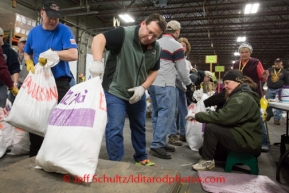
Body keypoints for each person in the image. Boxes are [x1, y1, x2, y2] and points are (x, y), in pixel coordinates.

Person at [90, 13, 166, 166]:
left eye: (155, 36)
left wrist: (143, 87)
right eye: (149, 31)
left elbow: (154, 71)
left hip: (137, 93)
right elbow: (99, 38)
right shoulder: (124, 34)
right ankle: (116, 164)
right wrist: (97, 61)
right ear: (143, 23)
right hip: (115, 91)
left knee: (139, 126)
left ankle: (141, 157)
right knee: (115, 128)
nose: (150, 37)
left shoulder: (156, 48)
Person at [24, 1, 78, 157]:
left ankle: (59, 154)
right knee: (35, 117)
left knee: (61, 118)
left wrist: (53, 54)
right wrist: (28, 61)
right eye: (50, 17)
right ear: (42, 13)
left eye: (56, 18)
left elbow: (73, 54)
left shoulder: (64, 31)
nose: (53, 21)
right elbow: (27, 51)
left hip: (59, 82)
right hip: (39, 81)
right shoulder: (34, 32)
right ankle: (35, 153)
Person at [186, 70, 262, 170]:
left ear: (238, 82)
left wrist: (199, 116)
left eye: (227, 83)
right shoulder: (241, 94)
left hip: (246, 140)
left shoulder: (242, 98)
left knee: (211, 127)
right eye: (224, 83)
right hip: (244, 135)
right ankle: (232, 158)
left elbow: (224, 117)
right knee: (203, 150)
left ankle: (207, 161)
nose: (225, 86)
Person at [149, 20, 192, 159]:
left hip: (152, 83)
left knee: (156, 114)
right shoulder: (176, 45)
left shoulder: (156, 42)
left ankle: (160, 141)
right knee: (166, 114)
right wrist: (188, 84)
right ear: (177, 32)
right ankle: (157, 145)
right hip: (166, 84)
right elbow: (182, 70)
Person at [233, 42, 270, 152]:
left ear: (250, 53)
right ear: (239, 53)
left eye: (246, 52)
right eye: (242, 52)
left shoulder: (255, 62)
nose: (244, 54)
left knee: (258, 116)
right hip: (239, 93)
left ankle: (264, 142)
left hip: (254, 93)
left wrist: (264, 76)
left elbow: (262, 78)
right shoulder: (236, 63)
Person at [174, 37, 192, 143]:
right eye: (179, 45)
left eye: (184, 45)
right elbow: (178, 75)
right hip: (176, 86)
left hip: (182, 87)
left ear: (187, 48)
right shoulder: (176, 59)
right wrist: (187, 85)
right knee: (175, 111)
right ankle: (175, 133)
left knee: (183, 111)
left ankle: (183, 133)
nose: (181, 47)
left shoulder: (185, 61)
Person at [0, 27, 20, 108]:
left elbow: (14, 68)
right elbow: (2, 70)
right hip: (6, 82)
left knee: (1, 106)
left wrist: (13, 84)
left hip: (2, 85)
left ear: (2, 36)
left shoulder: (10, 52)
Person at [266, 58, 289, 125]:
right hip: (270, 89)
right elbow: (264, 78)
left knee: (279, 106)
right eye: (276, 62)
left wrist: (287, 90)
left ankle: (277, 119)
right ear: (274, 63)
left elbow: (287, 81)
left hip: (280, 90)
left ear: (281, 63)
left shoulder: (284, 71)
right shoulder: (269, 70)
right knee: (267, 103)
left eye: (279, 62)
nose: (277, 64)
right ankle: (270, 114)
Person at [8, 37, 28, 104]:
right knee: (11, 102)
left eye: (26, 43)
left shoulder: (29, 56)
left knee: (22, 104)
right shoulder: (13, 55)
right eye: (23, 43)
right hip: (14, 83)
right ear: (18, 44)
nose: (24, 45)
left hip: (25, 85)